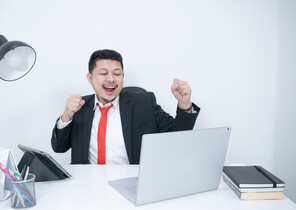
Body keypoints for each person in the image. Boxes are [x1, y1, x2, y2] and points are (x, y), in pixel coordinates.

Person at [51, 49, 200, 164]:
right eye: (103, 73)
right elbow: (59, 147)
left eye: (117, 73)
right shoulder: (80, 106)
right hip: (87, 184)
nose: (111, 79)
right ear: (90, 78)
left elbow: (177, 138)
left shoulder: (144, 103)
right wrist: (67, 115)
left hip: (131, 182)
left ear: (122, 77)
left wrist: (184, 104)